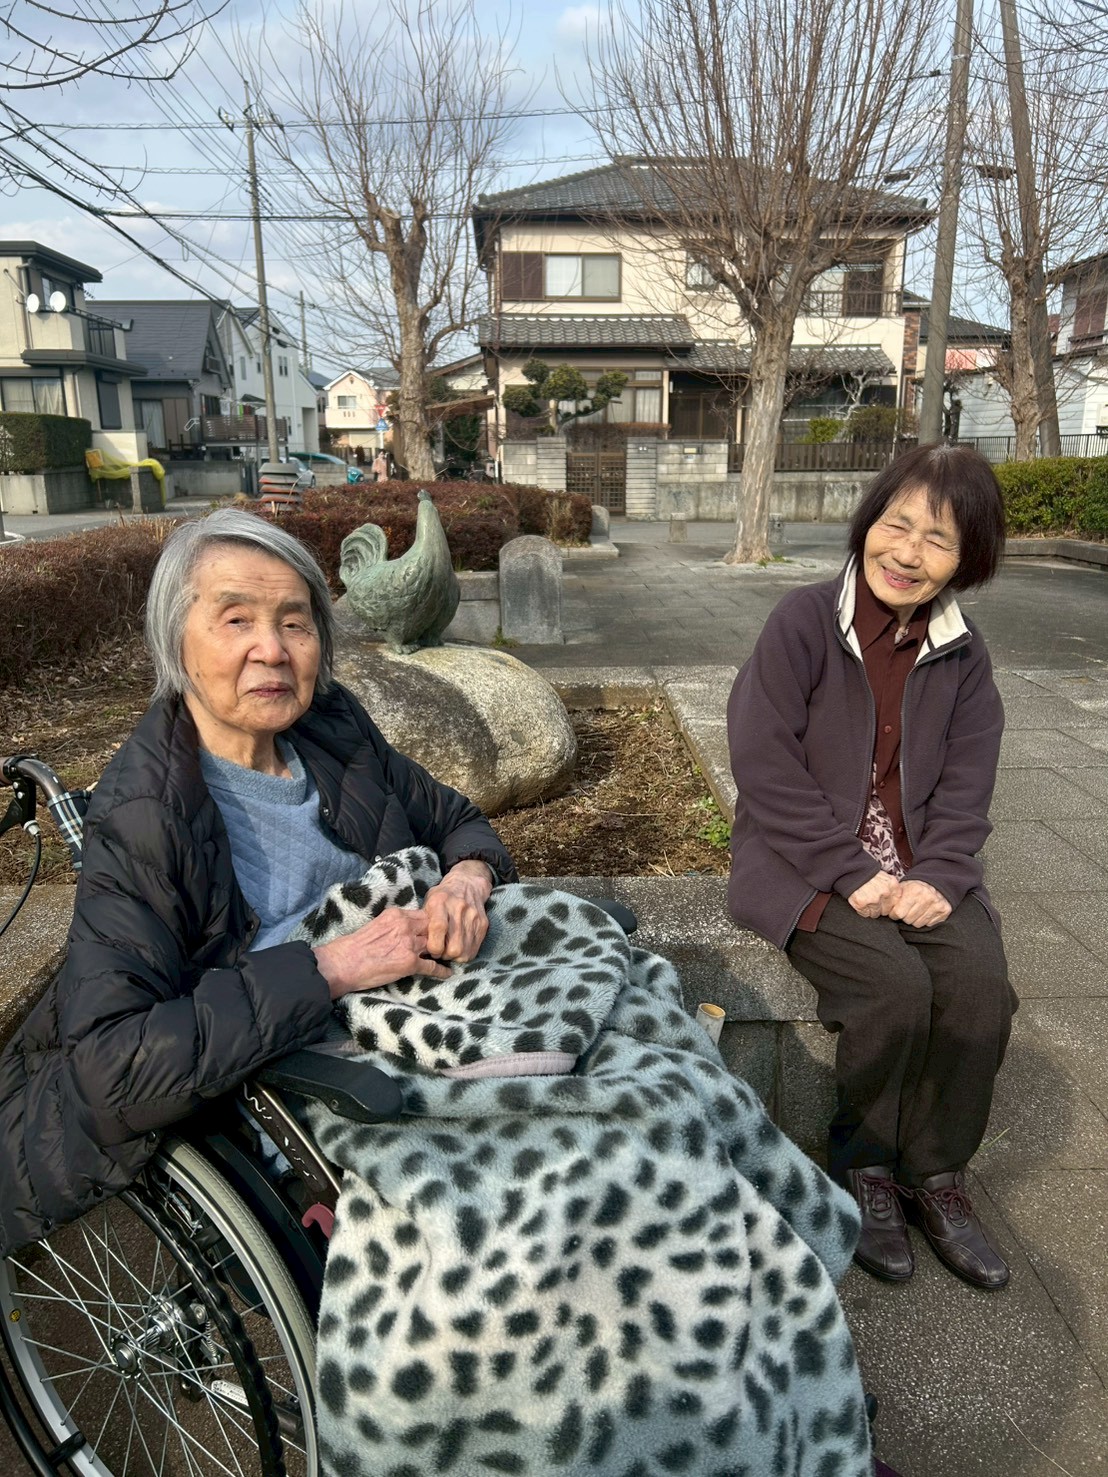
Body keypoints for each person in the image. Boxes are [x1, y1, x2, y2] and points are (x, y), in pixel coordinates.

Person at [0, 509, 516, 1257]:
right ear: (177, 641)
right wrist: (335, 965)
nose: (272, 650)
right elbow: (112, 1066)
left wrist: (465, 881)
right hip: (323, 1098)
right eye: (236, 619)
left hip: (440, 1026)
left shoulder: (332, 731)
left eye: (295, 623)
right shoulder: (149, 813)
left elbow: (458, 820)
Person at [726, 443, 1017, 1291]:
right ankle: (864, 1167)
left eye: (938, 540)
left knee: (980, 988)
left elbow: (967, 782)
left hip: (918, 864)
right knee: (891, 989)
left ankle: (935, 1173)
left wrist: (944, 873)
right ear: (868, 523)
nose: (908, 552)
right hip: (805, 861)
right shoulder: (804, 621)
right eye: (898, 524)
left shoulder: (963, 653)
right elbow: (764, 760)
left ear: (967, 560)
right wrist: (847, 868)